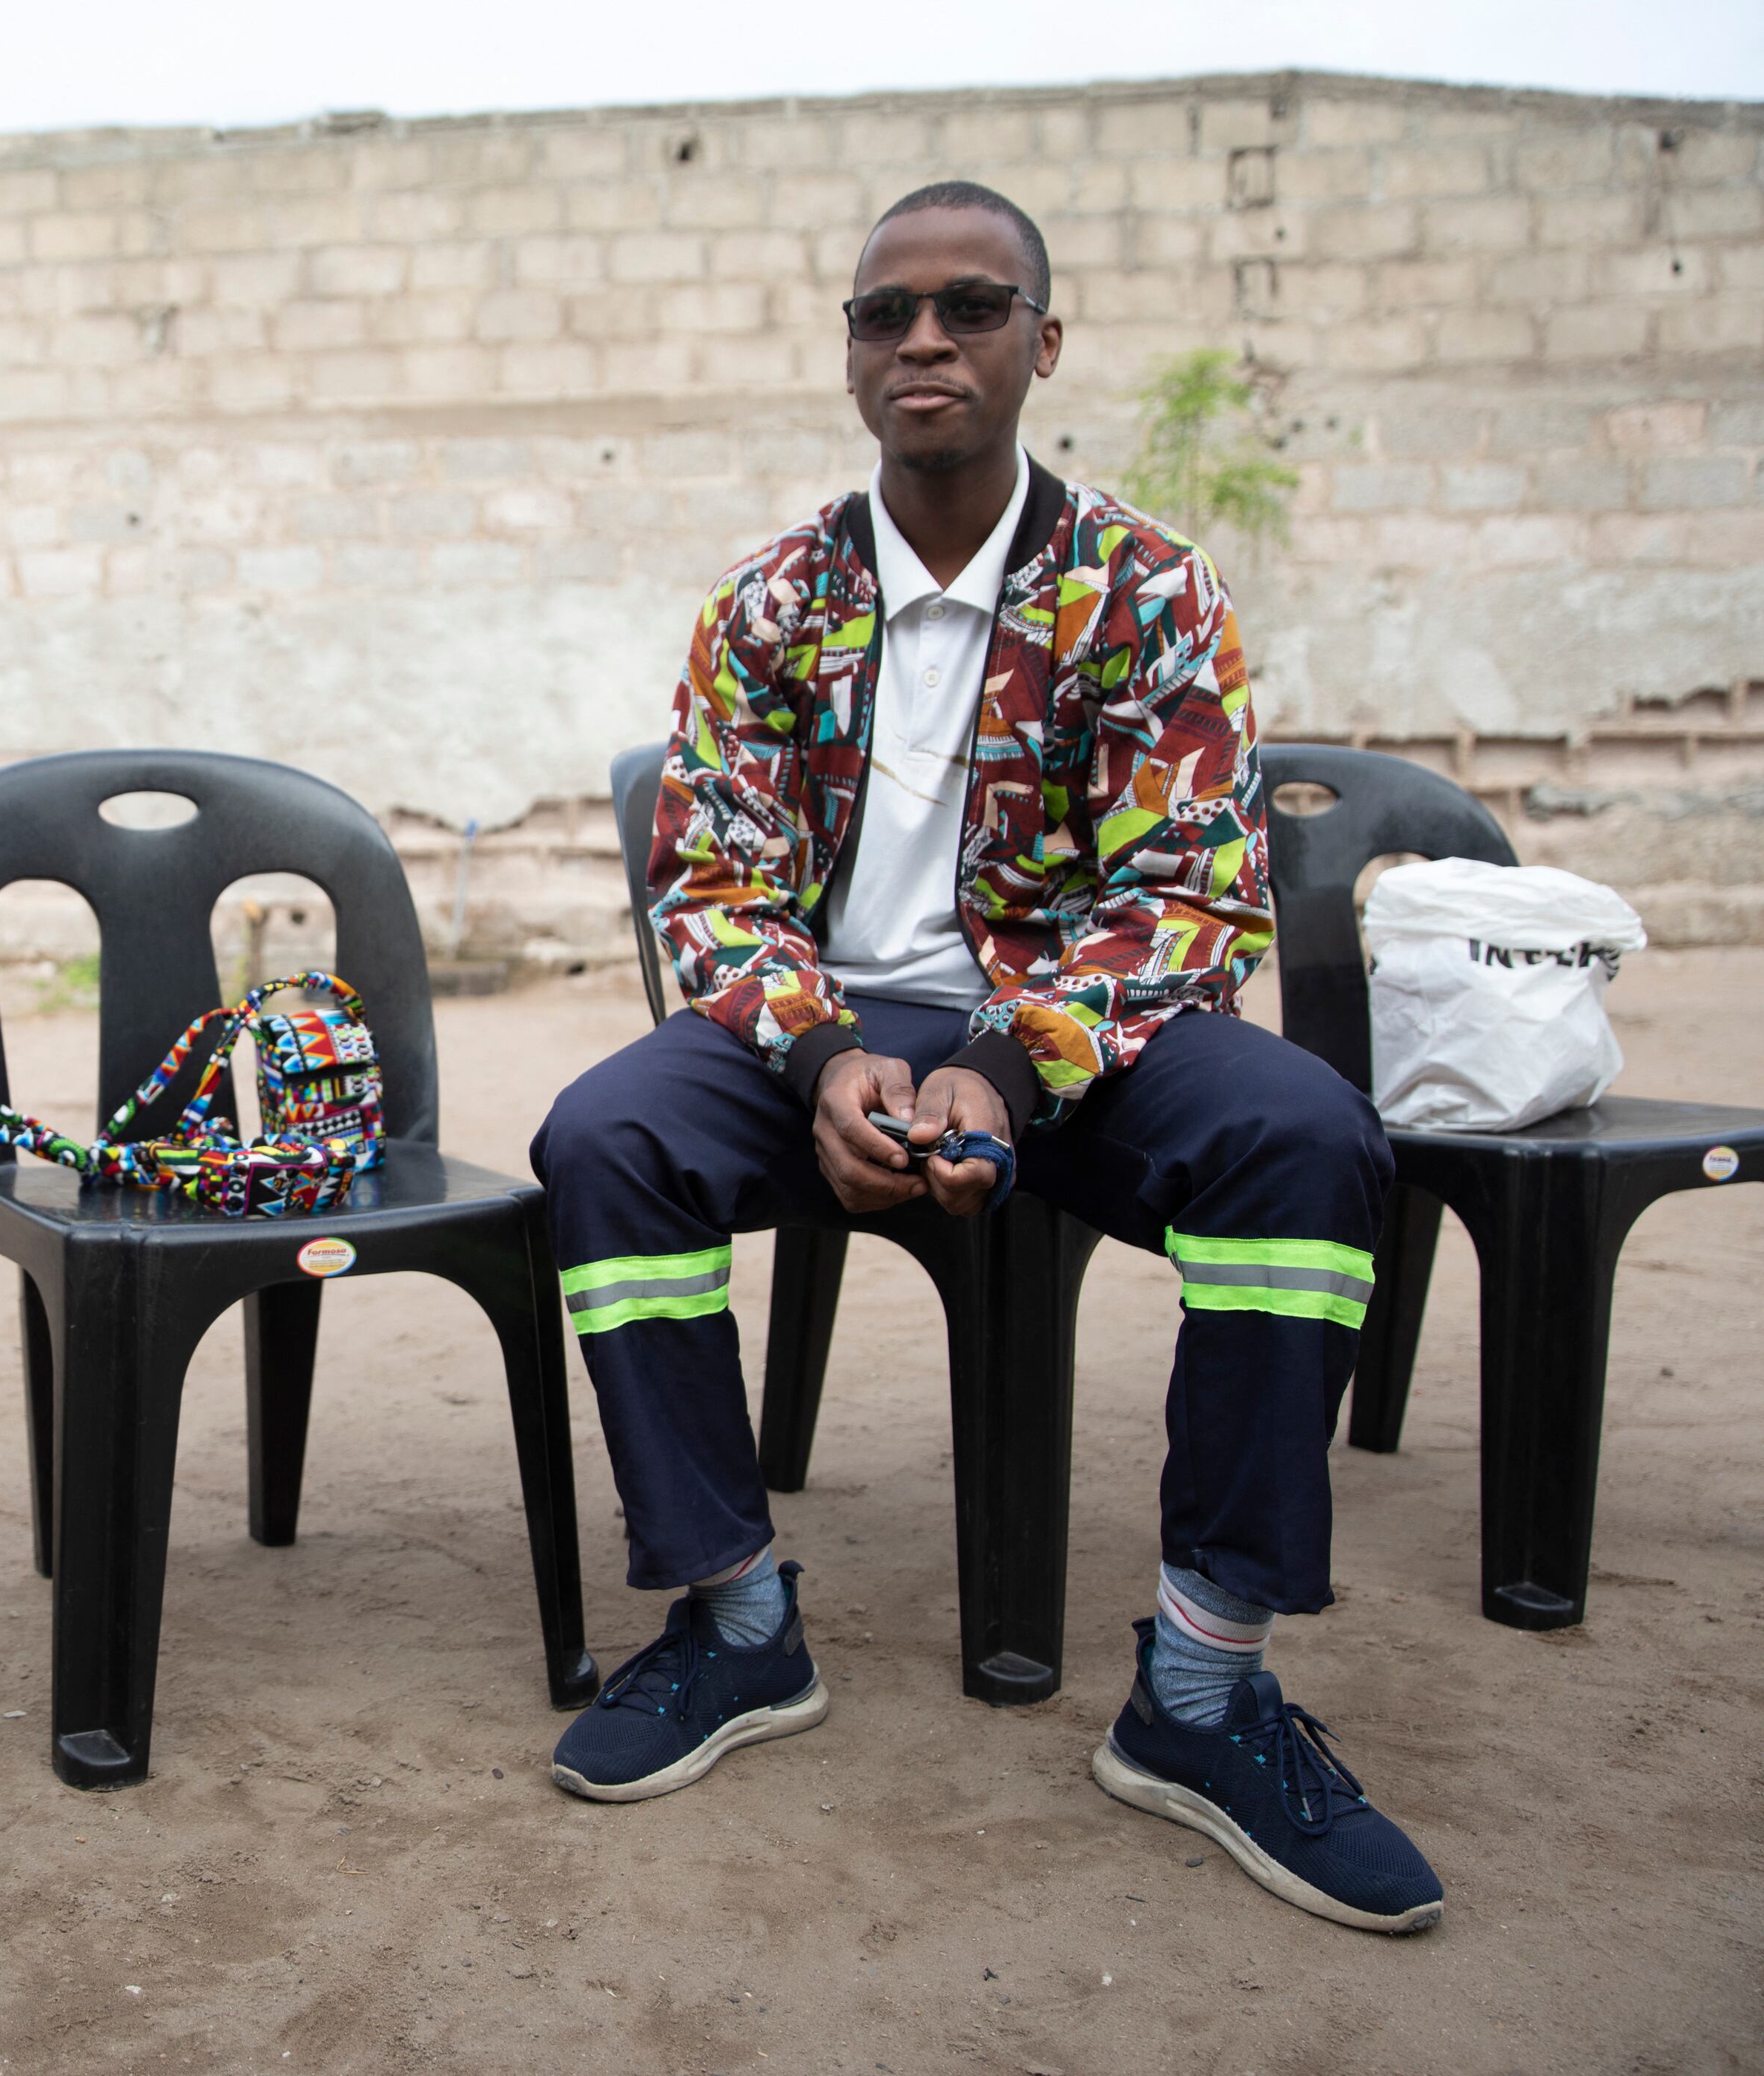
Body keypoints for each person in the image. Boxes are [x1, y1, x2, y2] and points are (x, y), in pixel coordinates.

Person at [528, 181, 1441, 1935]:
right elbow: (712, 888)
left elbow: (1191, 895)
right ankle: (735, 1617)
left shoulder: (1149, 591)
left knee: (1308, 1138)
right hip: (828, 1031)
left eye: (970, 306)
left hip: (1077, 1041)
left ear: (1043, 339)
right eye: (887, 315)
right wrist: (818, 1062)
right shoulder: (769, 603)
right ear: (852, 355)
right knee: (604, 1137)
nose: (925, 340)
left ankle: (1201, 1687)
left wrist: (1011, 1070)